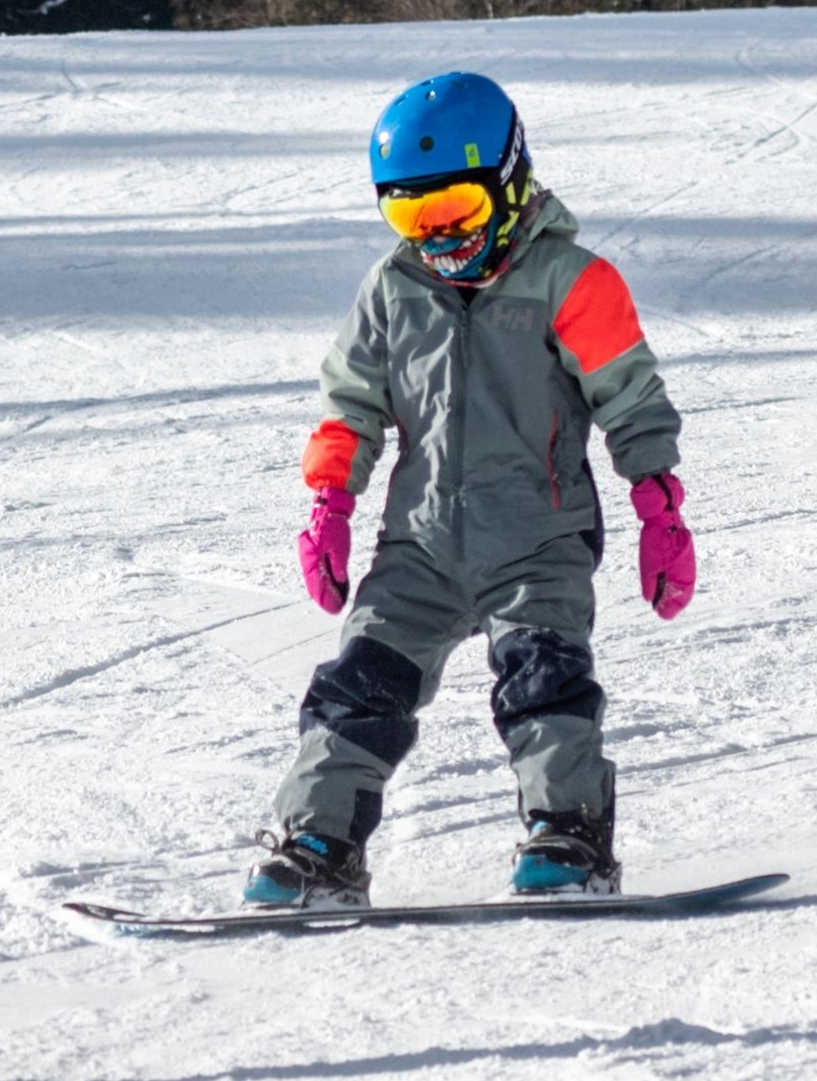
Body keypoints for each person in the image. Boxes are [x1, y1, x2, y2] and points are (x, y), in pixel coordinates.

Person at [251, 72, 691, 906]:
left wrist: (658, 504)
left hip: (538, 534)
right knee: (357, 689)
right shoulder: (392, 290)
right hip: (419, 545)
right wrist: (331, 502)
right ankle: (320, 844)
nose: (439, 234)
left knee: (543, 680)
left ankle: (570, 835)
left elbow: (631, 398)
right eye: (411, 216)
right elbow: (350, 405)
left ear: (510, 178)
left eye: (455, 206)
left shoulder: (570, 279)